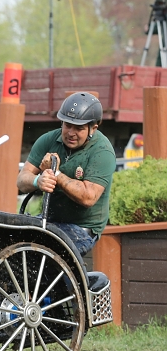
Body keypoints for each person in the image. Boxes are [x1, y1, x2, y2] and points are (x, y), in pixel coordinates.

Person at [17, 92, 115, 255]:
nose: (70, 132)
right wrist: (37, 181)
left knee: (44, 254)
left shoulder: (102, 152)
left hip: (82, 229)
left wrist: (56, 174)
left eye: (79, 128)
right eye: (67, 125)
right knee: (12, 242)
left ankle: (68, 281)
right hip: (49, 221)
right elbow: (21, 180)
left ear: (93, 128)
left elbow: (88, 197)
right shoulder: (47, 140)